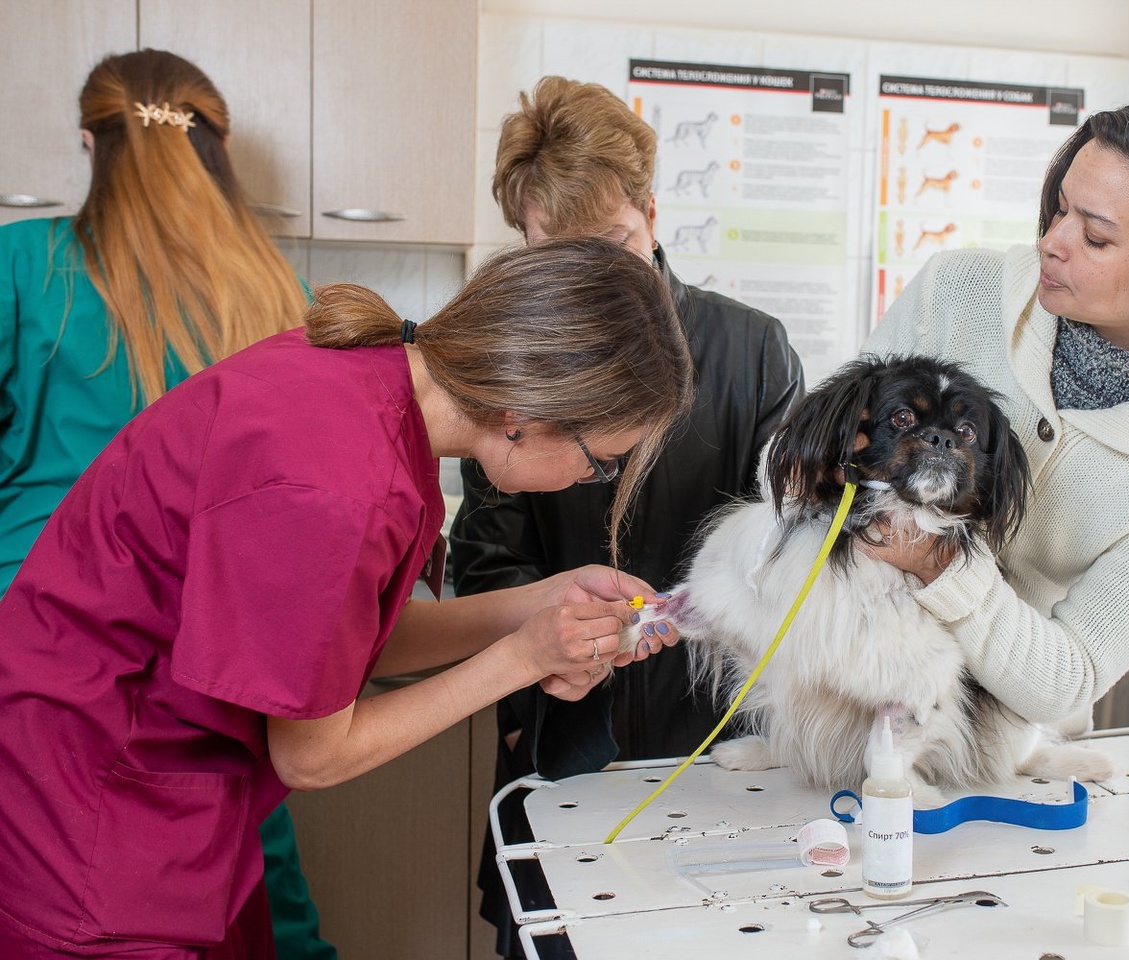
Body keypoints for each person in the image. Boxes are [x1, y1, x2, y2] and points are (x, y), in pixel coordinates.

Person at [0, 236, 693, 959]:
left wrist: (535, 603)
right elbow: (314, 756)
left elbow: (328, 644)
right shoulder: (336, 484)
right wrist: (523, 658)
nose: (588, 482)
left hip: (168, 793)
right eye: (597, 464)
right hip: (85, 806)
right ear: (529, 408)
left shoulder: (377, 387)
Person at [448, 75, 805, 959]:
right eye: (556, 254)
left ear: (651, 209)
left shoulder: (751, 350)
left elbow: (787, 547)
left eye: (614, 242)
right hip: (562, 733)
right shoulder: (508, 361)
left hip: (724, 735)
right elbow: (486, 559)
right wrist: (540, 678)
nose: (593, 280)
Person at [0, 49, 333, 959]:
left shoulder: (19, 263)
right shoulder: (280, 294)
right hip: (214, 644)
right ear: (215, 148)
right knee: (248, 868)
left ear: (89, 141)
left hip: (44, 644)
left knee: (51, 896)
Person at [863, 100, 1129, 731]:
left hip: (992, 742)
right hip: (836, 684)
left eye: (1094, 236)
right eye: (1058, 210)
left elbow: (1063, 683)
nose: (1050, 243)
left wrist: (936, 561)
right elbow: (789, 469)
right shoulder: (959, 291)